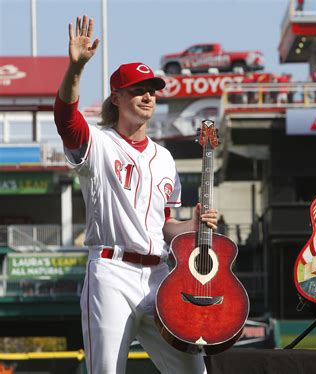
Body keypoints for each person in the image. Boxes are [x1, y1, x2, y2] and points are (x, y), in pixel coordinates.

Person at [54, 15, 218, 374]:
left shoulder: (164, 157)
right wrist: (76, 68)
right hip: (112, 272)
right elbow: (65, 117)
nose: (148, 96)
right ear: (117, 96)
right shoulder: (99, 144)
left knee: (196, 370)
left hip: (160, 275)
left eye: (152, 90)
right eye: (138, 89)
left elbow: (165, 226)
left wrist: (192, 224)